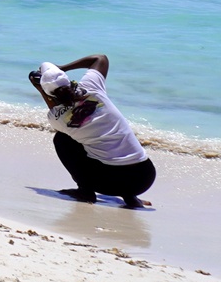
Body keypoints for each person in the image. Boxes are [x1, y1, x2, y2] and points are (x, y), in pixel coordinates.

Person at [28, 55, 155, 208]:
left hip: (109, 185)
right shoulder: (91, 86)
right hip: (145, 177)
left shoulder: (57, 118)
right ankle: (130, 198)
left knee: (62, 139)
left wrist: (40, 89)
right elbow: (100, 59)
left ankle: (85, 191)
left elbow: (58, 110)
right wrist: (61, 68)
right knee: (112, 142)